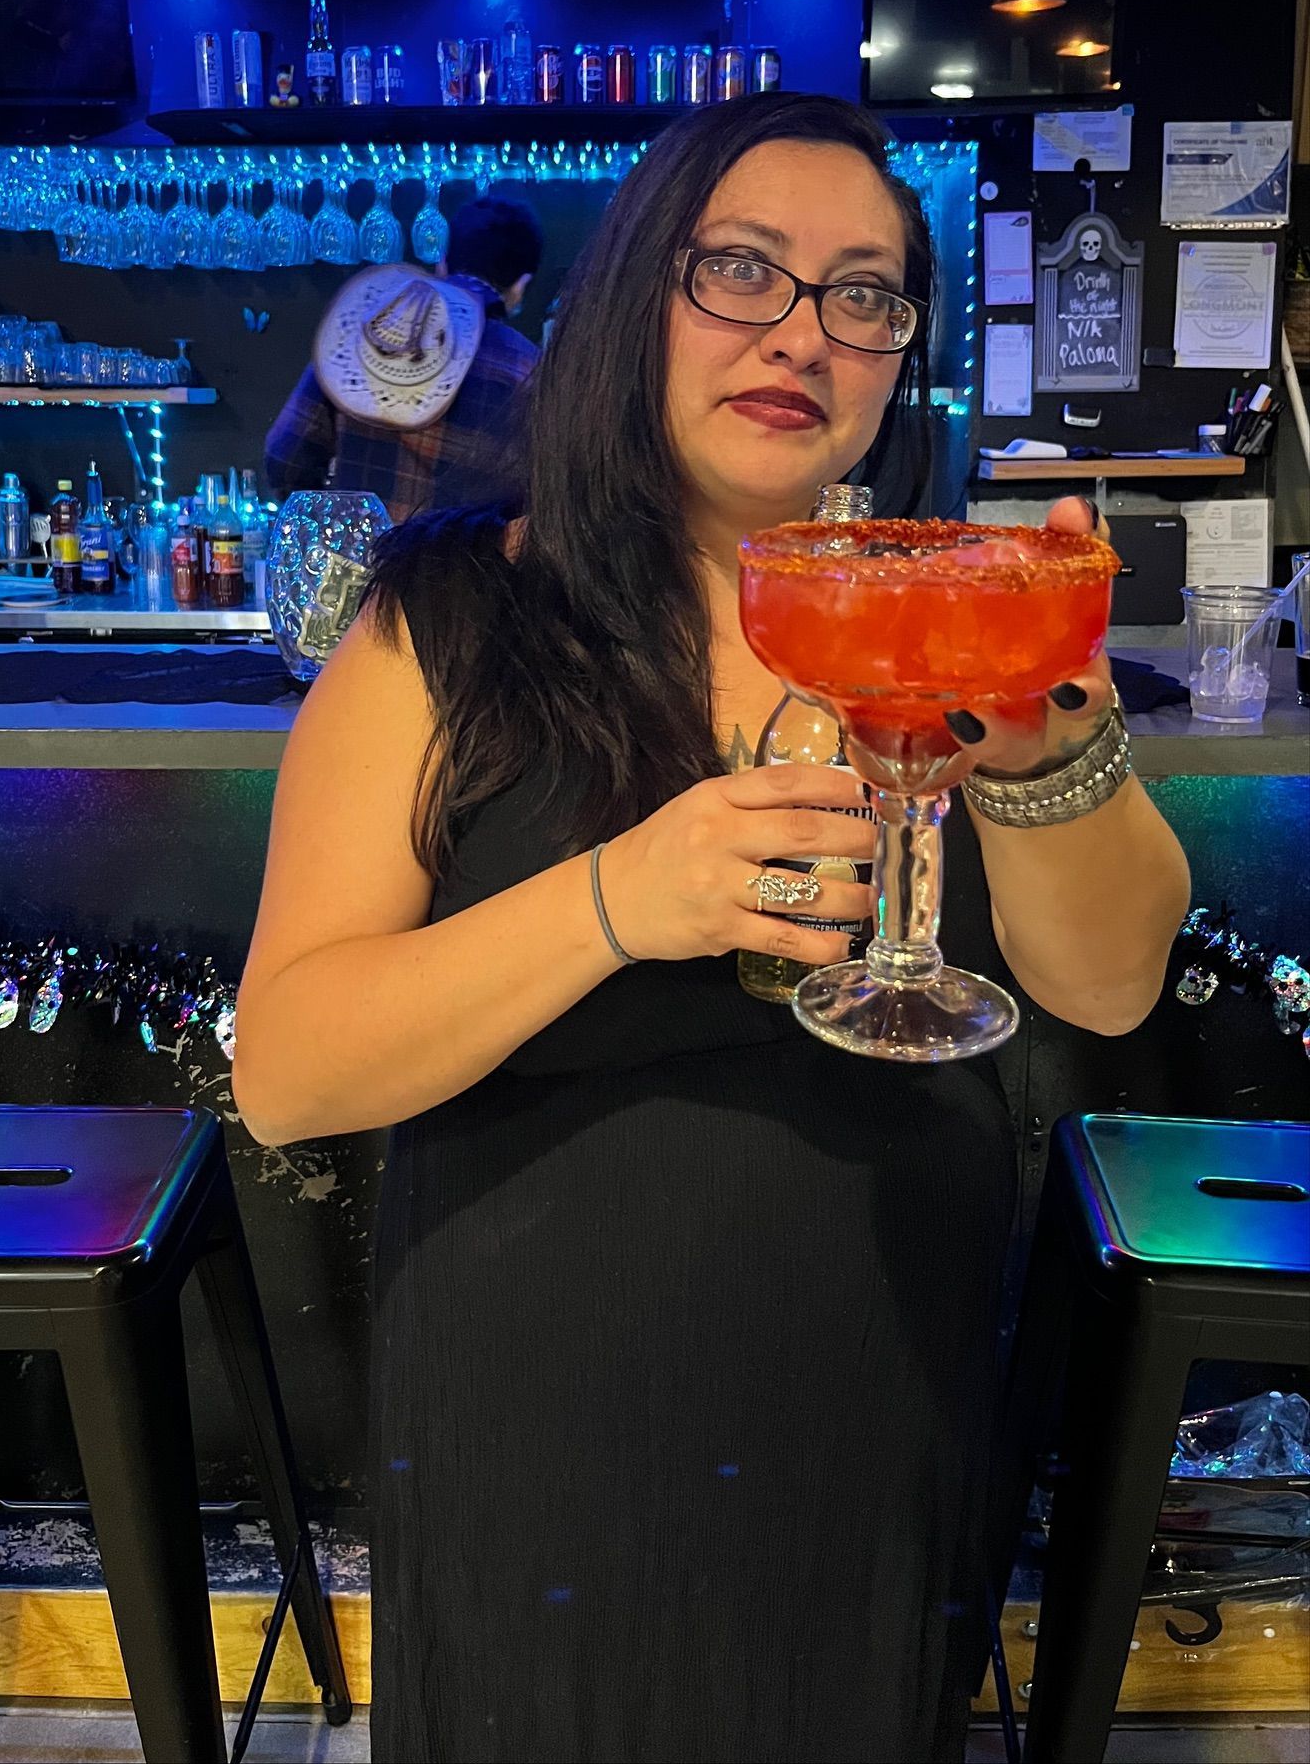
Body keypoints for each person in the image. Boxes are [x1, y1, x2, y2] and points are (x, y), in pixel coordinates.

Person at [234, 94, 1190, 1764]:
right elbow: (289, 1072)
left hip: (879, 1372)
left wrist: (1051, 738)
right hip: (537, 1395)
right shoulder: (450, 614)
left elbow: (1107, 985)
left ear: (900, 355)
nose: (803, 333)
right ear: (633, 297)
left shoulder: (944, 611)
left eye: (864, 294)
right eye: (741, 269)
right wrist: (621, 899)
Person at [264, 194, 543, 519]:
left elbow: (284, 462)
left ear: (442, 264)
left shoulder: (360, 337)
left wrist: (337, 522)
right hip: (477, 553)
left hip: (365, 551)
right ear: (521, 286)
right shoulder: (529, 369)